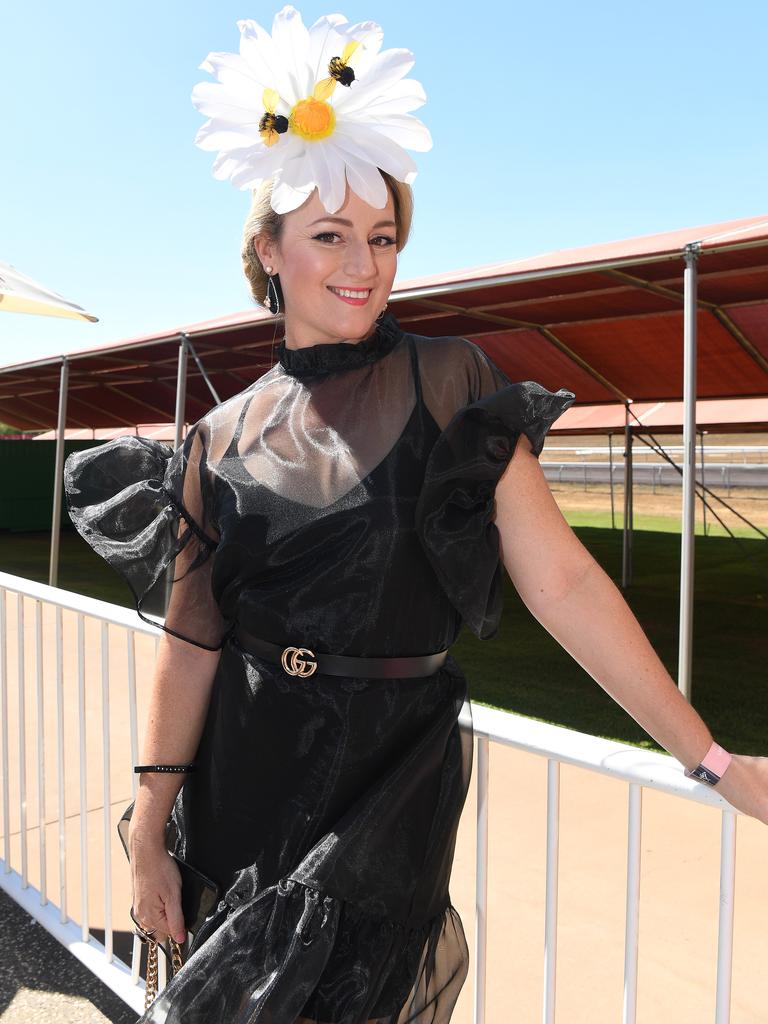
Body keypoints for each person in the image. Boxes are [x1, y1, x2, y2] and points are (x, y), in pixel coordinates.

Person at [63, 9, 768, 1024]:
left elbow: (563, 581)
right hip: (243, 778)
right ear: (269, 249)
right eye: (330, 236)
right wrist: (147, 834)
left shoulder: (451, 386)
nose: (365, 264)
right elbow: (190, 643)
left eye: (383, 236)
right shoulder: (215, 439)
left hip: (390, 784)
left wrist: (709, 754)